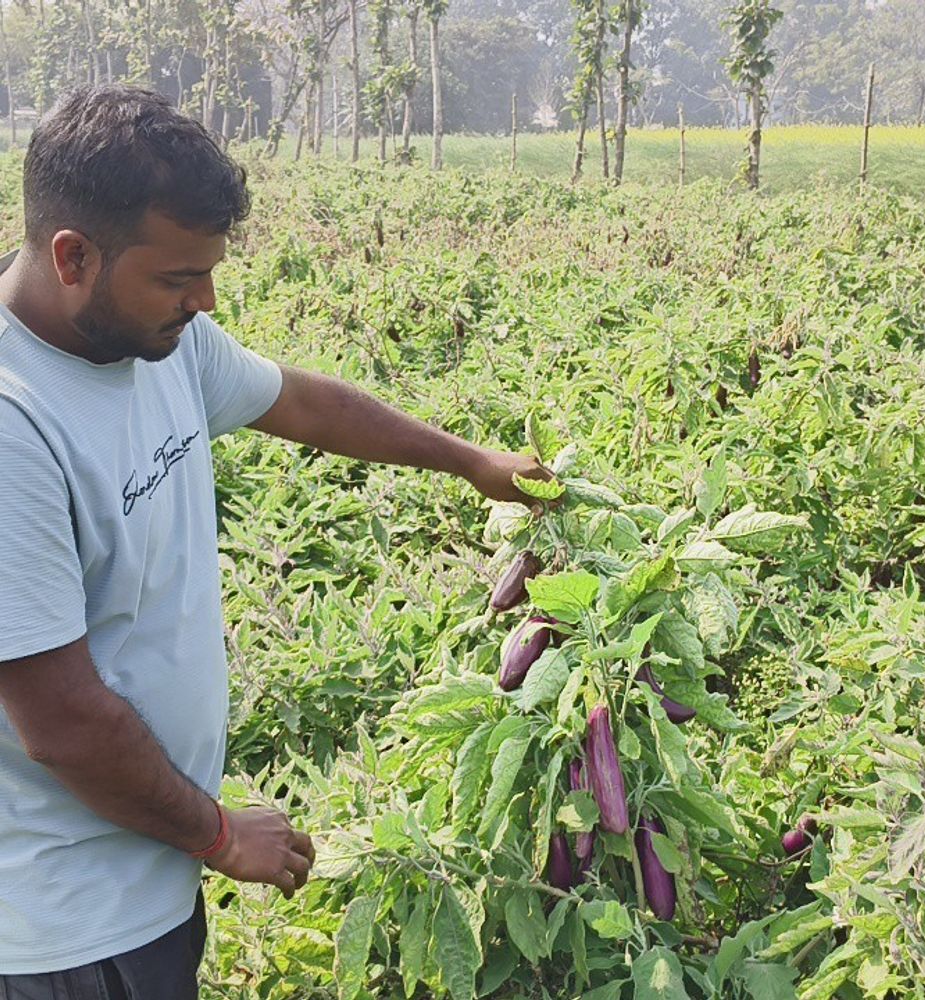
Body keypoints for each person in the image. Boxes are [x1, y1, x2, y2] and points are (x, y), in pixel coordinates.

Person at [0, 85, 548, 999]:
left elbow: (298, 400)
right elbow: (62, 725)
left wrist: (471, 462)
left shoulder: (156, 342)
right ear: (72, 256)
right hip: (61, 929)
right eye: (178, 278)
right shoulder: (15, 428)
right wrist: (218, 834)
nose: (205, 299)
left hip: (144, 878)